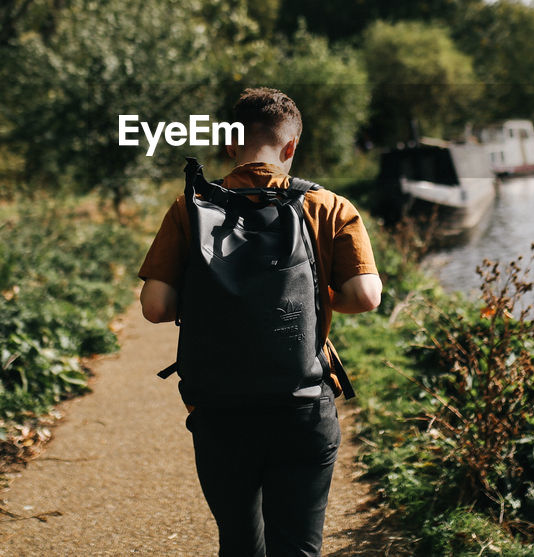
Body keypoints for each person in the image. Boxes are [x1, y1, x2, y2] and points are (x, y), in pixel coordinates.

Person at [138, 87, 382, 557]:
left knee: (240, 546)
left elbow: (155, 307)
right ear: (291, 148)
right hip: (303, 405)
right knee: (298, 548)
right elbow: (365, 295)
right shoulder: (327, 206)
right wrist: (312, 299)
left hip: (220, 410)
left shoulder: (190, 208)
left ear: (231, 144)